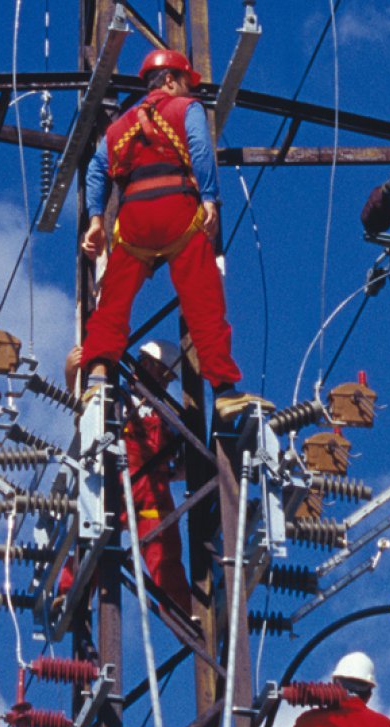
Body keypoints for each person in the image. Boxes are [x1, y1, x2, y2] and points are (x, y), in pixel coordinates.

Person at [79, 49, 268, 419]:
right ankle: (225, 391)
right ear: (169, 80)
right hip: (177, 211)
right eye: (184, 82)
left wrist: (96, 220)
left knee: (112, 304)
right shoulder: (186, 109)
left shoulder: (119, 127)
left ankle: (97, 378)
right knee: (204, 301)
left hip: (134, 221)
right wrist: (210, 199)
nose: (187, 90)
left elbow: (97, 170)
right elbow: (199, 148)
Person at [59, 340, 193, 617]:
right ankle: (67, 599)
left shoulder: (168, 415)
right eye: (148, 366)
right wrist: (71, 374)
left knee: (165, 557)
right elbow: (82, 413)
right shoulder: (113, 398)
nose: (153, 374)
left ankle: (181, 614)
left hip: (151, 497)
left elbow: (187, 465)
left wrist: (170, 472)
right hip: (111, 488)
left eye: (160, 371)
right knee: (91, 543)